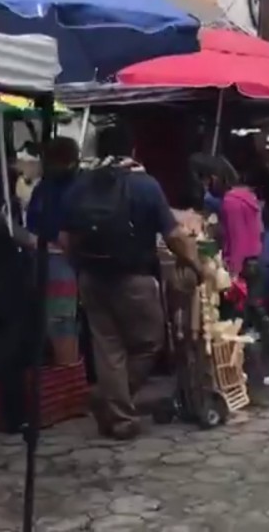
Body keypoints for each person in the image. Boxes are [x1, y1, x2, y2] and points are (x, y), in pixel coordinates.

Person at [59, 126, 204, 440]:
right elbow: (174, 236)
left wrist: (79, 268)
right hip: (133, 278)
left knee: (108, 347)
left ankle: (117, 410)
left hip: (91, 278)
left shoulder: (80, 185)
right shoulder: (145, 185)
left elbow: (65, 238)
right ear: (133, 149)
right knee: (150, 343)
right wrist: (194, 264)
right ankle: (114, 405)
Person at [201, 157, 269, 387]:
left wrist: (232, 270)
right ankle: (257, 364)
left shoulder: (230, 203)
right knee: (252, 315)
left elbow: (237, 240)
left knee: (247, 316)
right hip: (255, 260)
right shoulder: (246, 197)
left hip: (244, 264)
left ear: (214, 177)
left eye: (206, 180)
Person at [26, 137, 81, 365]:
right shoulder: (67, 185)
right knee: (62, 323)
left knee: (60, 321)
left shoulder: (47, 187)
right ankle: (68, 377)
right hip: (59, 263)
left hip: (53, 261)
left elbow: (33, 222)